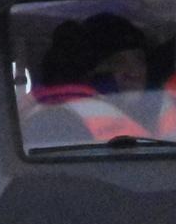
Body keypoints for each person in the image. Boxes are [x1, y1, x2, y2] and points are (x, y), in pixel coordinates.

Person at [29, 13, 158, 142]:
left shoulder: (160, 111)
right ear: (90, 73)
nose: (134, 72)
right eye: (116, 62)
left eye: (139, 60)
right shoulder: (57, 121)